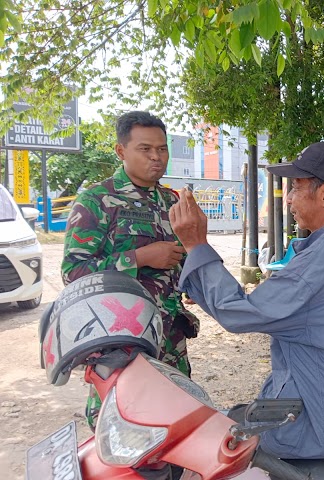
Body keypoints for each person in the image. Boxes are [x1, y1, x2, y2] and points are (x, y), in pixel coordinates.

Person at [169, 141, 324, 460]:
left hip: (322, 424)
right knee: (231, 415)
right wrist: (204, 286)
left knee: (202, 445)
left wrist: (195, 244)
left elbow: (239, 313)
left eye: (296, 187)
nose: (288, 198)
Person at [61, 111, 200, 428]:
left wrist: (191, 280)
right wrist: (139, 257)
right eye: (145, 149)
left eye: (162, 149)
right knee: (122, 426)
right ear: (121, 151)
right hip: (120, 339)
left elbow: (184, 255)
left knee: (176, 422)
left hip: (170, 337)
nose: (156, 157)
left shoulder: (172, 201)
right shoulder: (96, 201)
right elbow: (74, 273)